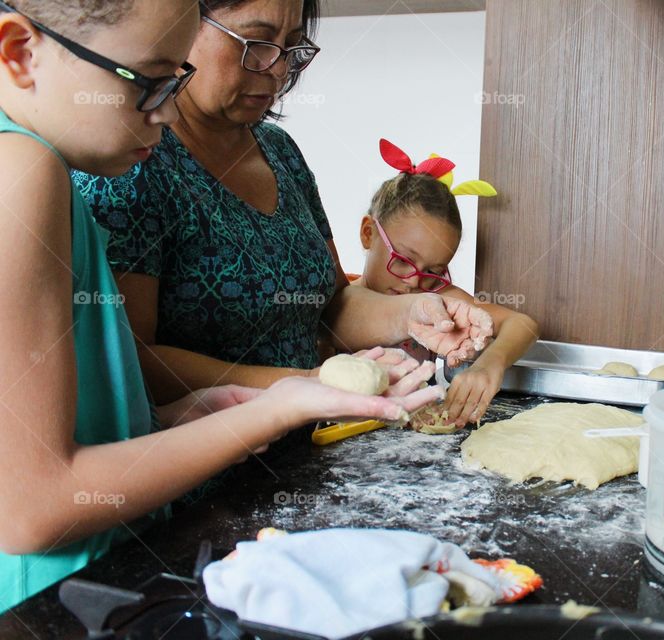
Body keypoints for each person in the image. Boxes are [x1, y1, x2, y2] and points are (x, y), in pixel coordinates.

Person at [0, 0, 443, 612]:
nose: (164, 112)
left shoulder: (34, 165)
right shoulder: (22, 174)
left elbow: (59, 427)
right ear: (20, 52)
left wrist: (174, 418)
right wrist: (272, 411)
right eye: (150, 82)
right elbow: (32, 509)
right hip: (52, 598)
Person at [76, 0, 493, 405]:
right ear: (185, 24)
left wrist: (411, 313)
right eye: (255, 42)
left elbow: (333, 303)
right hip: (208, 447)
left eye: (291, 47)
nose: (277, 69)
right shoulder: (132, 161)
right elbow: (129, 360)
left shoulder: (280, 151)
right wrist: (305, 385)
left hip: (309, 434)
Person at [350, 139, 539, 427]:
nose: (414, 281)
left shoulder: (437, 299)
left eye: (433, 271)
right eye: (402, 260)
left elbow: (523, 324)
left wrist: (489, 365)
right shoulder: (338, 303)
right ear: (368, 233)